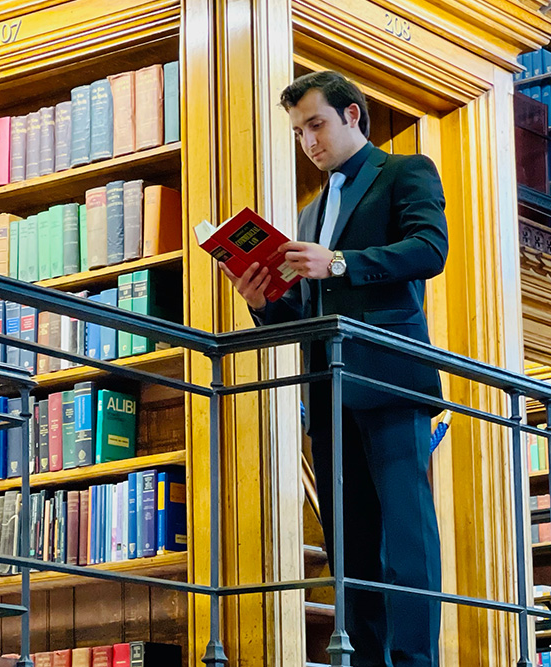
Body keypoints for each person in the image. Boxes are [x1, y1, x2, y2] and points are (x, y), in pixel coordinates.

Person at [219, 70, 448, 667]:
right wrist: (261, 299)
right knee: (351, 543)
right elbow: (305, 310)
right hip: (327, 387)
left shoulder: (406, 172)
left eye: (316, 124)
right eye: (298, 132)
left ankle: (415, 660)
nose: (309, 142)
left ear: (352, 115)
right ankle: (369, 661)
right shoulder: (310, 211)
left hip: (392, 377)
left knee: (406, 532)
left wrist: (340, 261)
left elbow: (430, 250)